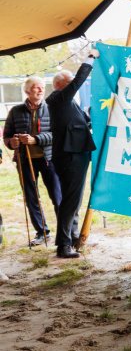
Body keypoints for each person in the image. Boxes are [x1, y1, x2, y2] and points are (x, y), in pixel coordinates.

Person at [46, 50, 100, 259]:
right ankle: (63, 246)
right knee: (70, 201)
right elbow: (78, 79)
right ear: (61, 85)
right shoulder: (59, 98)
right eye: (70, 83)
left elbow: (78, 122)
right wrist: (90, 58)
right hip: (70, 156)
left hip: (76, 153)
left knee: (74, 200)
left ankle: (71, 236)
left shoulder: (67, 102)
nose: (74, 86)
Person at [3, 76, 63, 246]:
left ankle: (64, 231)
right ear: (27, 91)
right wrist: (11, 142)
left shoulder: (52, 109)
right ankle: (42, 232)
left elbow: (57, 134)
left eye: (42, 87)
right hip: (24, 160)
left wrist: (35, 140)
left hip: (49, 159)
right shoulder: (16, 111)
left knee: (57, 195)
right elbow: (7, 135)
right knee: (31, 197)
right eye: (36, 87)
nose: (40, 89)